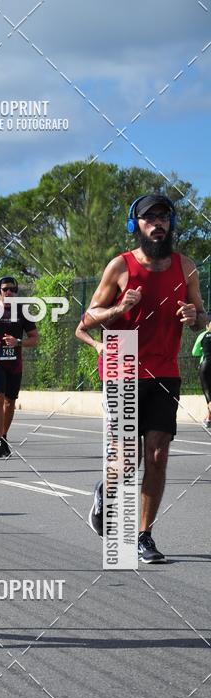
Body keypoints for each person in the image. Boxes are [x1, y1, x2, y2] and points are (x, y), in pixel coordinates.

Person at [83, 194, 207, 562]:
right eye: (148, 217)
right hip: (123, 362)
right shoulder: (120, 266)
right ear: (134, 224)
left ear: (171, 223)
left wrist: (193, 316)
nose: (157, 224)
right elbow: (89, 316)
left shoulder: (186, 267)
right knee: (126, 458)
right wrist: (121, 307)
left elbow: (203, 316)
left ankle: (143, 535)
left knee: (156, 453)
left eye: (164, 217)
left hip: (166, 369)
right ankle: (107, 493)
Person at [0, 276, 39, 458]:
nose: (9, 292)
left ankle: (3, 437)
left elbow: (34, 338)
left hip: (14, 363)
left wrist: (18, 342)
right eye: (5, 289)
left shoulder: (23, 312)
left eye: (13, 289)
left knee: (10, 401)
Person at [191, 319, 211, 427]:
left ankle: (208, 419)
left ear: (208, 325)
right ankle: (208, 419)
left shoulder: (203, 335)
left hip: (206, 365)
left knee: (208, 393)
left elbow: (194, 352)